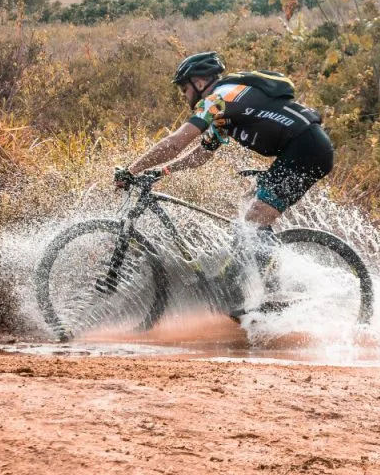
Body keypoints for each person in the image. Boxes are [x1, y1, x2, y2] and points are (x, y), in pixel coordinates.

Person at [115, 51, 334, 314]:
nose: (184, 96)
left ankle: (272, 289)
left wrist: (132, 169)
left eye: (184, 89)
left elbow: (175, 143)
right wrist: (162, 172)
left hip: (307, 148)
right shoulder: (225, 109)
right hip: (302, 147)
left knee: (255, 216)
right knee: (248, 208)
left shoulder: (218, 97)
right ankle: (241, 283)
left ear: (198, 82)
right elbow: (201, 155)